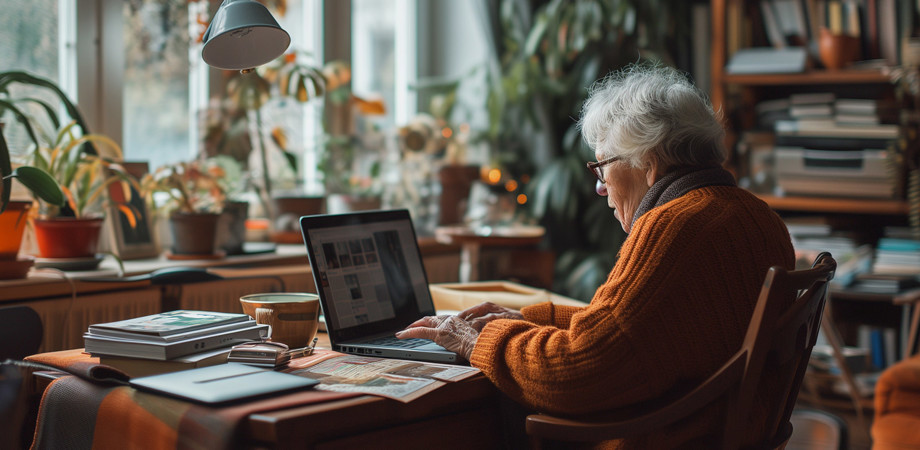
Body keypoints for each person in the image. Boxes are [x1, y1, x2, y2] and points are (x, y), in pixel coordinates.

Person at [396, 63, 795, 448]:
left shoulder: (675, 225)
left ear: (647, 160)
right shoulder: (757, 218)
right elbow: (647, 333)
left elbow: (576, 373)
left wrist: (476, 339)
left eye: (602, 166)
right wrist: (527, 319)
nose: (600, 188)